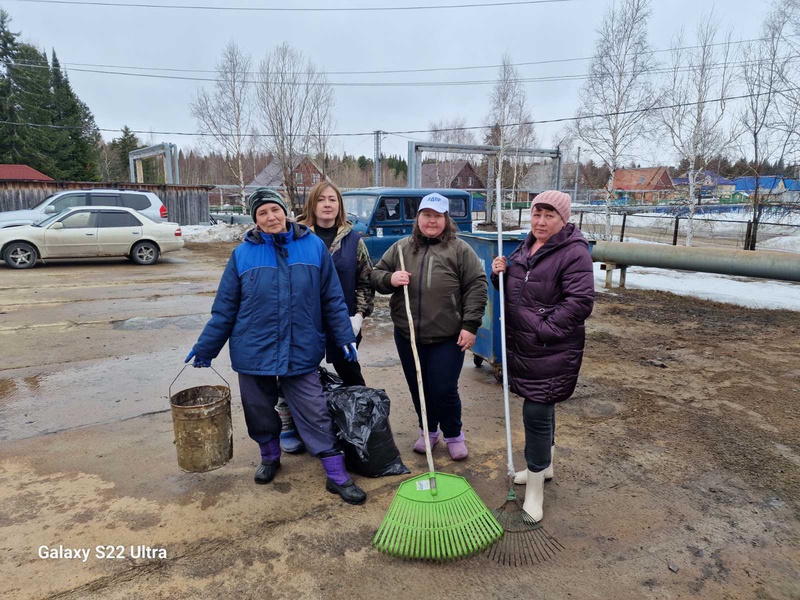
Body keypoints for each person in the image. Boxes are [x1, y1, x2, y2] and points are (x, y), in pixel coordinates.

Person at [185, 187, 367, 505]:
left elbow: (332, 299)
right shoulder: (242, 254)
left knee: (314, 410)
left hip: (301, 347)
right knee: (258, 410)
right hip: (254, 349)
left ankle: (336, 474)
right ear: (255, 219)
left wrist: (344, 336)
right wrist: (206, 347)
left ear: (285, 211)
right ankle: (270, 457)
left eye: (274, 210)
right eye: (262, 213)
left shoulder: (312, 247)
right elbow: (225, 307)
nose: (270, 217)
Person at [491, 190, 594, 522]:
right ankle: (544, 467)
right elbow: (519, 291)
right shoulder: (525, 246)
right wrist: (499, 275)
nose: (541, 221)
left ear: (563, 220)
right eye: (537, 214)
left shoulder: (573, 253)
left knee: (535, 412)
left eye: (550, 215)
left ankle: (535, 490)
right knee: (542, 406)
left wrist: (543, 328)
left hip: (551, 348)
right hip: (526, 347)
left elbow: (580, 302)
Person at [371, 192, 487, 461]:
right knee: (418, 385)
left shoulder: (459, 249)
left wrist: (470, 325)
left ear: (446, 219)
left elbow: (477, 286)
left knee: (444, 388)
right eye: (427, 215)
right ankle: (428, 431)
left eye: (437, 216)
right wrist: (390, 279)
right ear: (418, 218)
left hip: (448, 336)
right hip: (408, 334)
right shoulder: (401, 248)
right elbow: (375, 275)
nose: (431, 221)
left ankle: (454, 434)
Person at [275, 181, 376, 455]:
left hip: (342, 324)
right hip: (302, 323)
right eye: (322, 200)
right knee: (294, 375)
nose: (328, 204)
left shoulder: (354, 240)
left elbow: (366, 282)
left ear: (339, 205)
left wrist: (358, 316)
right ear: (312, 204)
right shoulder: (294, 237)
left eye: (333, 199)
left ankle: (363, 424)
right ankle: (289, 427)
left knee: (351, 374)